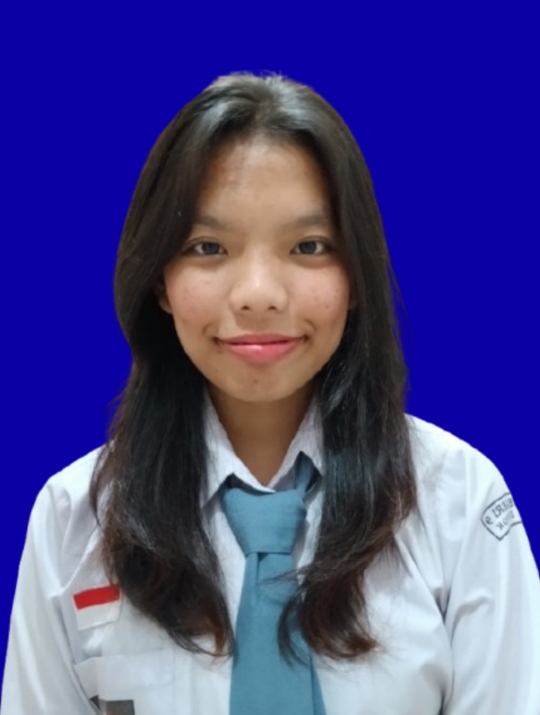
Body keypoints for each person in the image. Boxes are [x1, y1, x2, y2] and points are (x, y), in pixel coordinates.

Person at [2, 71, 539, 715]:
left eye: (308, 246)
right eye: (209, 247)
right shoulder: (73, 520)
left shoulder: (459, 503)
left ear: (357, 276)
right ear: (160, 281)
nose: (258, 293)